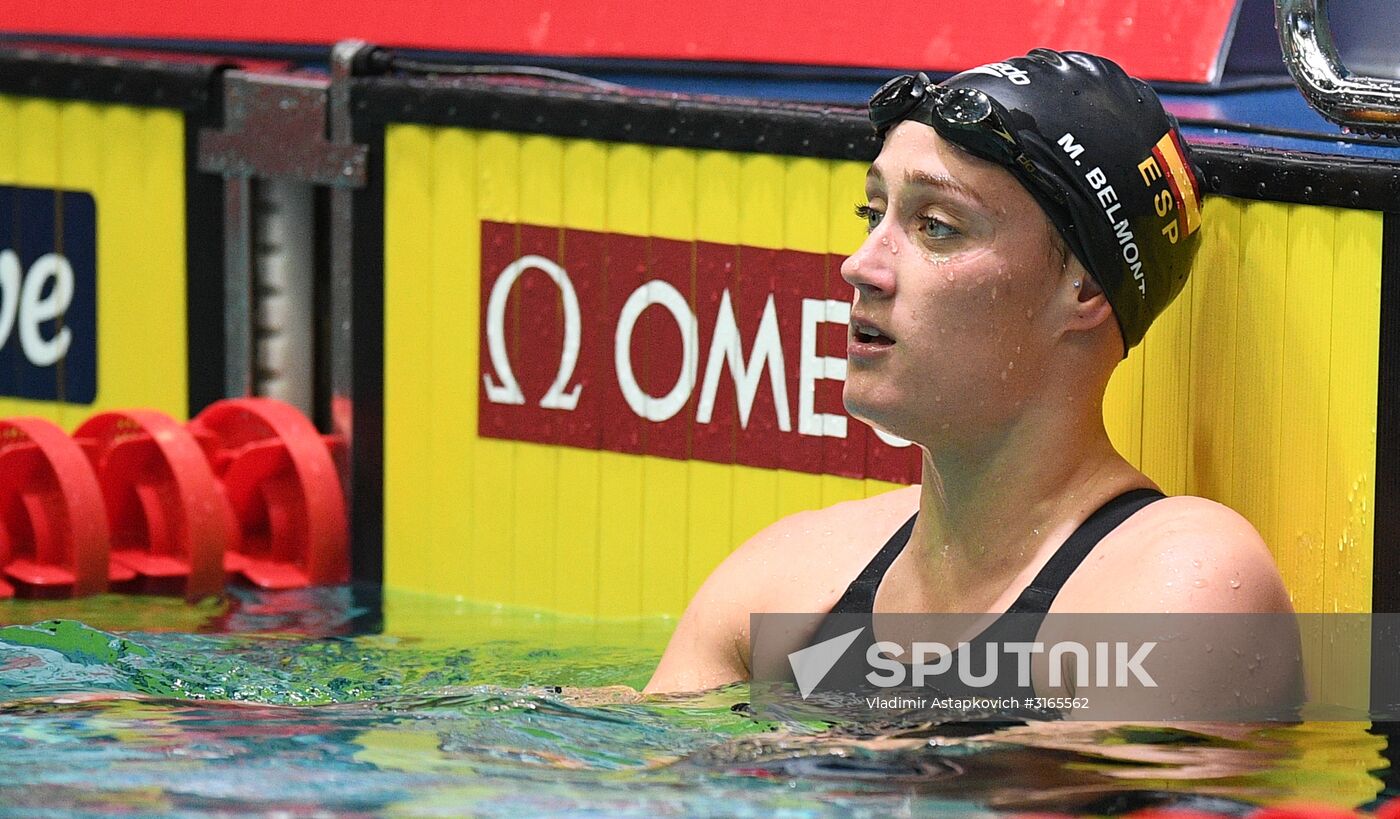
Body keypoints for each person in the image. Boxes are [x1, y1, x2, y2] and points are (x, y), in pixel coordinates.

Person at [646, 49, 1295, 699]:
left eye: (937, 226)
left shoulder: (1174, 589)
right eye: (873, 215)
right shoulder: (786, 583)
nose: (861, 265)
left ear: (1086, 288)